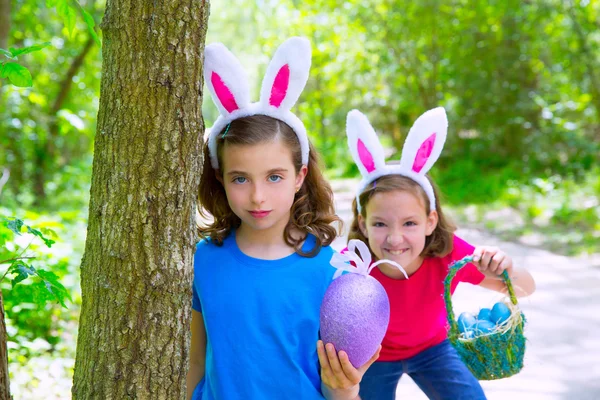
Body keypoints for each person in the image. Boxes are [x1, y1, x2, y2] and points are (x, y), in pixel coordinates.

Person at [187, 37, 378, 400]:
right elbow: (195, 362)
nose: (258, 196)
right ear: (220, 177)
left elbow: (339, 390)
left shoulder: (333, 272)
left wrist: (347, 387)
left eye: (274, 177)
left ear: (300, 176)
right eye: (240, 178)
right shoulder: (203, 260)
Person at [343, 108, 536, 400]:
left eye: (410, 223)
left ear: (430, 221)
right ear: (363, 224)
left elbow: (525, 288)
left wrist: (504, 268)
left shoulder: (448, 253)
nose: (395, 238)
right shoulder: (354, 264)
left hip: (434, 347)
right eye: (380, 224)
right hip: (375, 355)